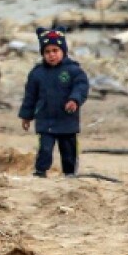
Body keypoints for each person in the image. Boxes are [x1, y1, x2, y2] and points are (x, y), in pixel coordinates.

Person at [19, 27, 90, 177]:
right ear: (43, 53)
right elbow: (30, 96)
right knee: (44, 148)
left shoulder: (73, 70)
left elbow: (81, 86)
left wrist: (74, 100)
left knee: (69, 149)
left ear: (63, 51)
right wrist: (26, 116)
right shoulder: (37, 73)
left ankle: (70, 173)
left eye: (55, 50)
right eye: (47, 52)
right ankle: (40, 171)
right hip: (46, 119)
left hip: (67, 119)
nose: (51, 55)